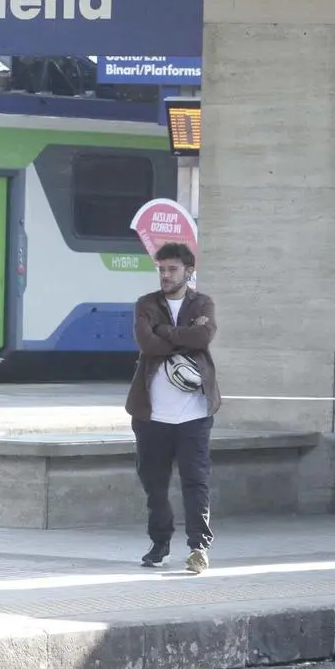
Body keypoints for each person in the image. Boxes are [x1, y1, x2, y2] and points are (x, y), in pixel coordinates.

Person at [124, 241, 221, 573]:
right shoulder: (146, 304)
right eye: (161, 269)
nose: (164, 275)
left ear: (188, 271)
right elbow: (146, 343)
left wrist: (164, 331)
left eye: (172, 269)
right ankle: (160, 542)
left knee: (196, 480)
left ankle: (198, 548)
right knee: (155, 483)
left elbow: (202, 339)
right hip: (152, 413)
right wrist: (181, 333)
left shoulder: (203, 302)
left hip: (193, 413)